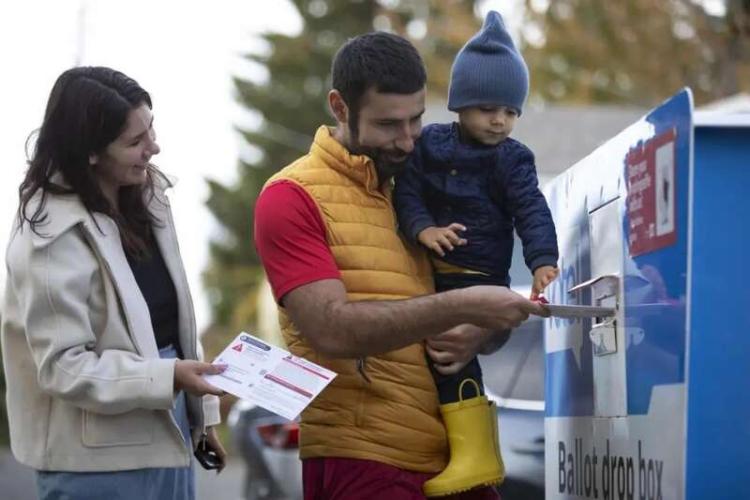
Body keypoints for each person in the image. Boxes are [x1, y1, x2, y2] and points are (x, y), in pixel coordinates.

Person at [253, 31, 548, 499]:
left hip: (456, 458)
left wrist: (482, 330)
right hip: (364, 462)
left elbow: (475, 311)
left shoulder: (427, 182)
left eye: (416, 119)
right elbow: (330, 329)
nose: (409, 141)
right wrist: (460, 306)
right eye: (390, 125)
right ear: (340, 107)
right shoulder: (291, 197)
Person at [1, 67, 227, 500]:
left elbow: (173, 330)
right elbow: (64, 366)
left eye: (152, 130)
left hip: (170, 433)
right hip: (97, 467)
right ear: (89, 153)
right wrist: (171, 377)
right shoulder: (48, 236)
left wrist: (201, 418)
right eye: (135, 142)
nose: (154, 148)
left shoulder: (149, 199)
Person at [393, 11, 560, 496]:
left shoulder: (513, 158)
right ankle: (464, 451)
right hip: (430, 269)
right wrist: (423, 229)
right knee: (432, 358)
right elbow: (408, 194)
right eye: (488, 108)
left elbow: (532, 209)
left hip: (478, 275)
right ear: (461, 105)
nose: (500, 120)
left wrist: (541, 261)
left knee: (455, 357)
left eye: (510, 111)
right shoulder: (429, 145)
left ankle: (477, 456)